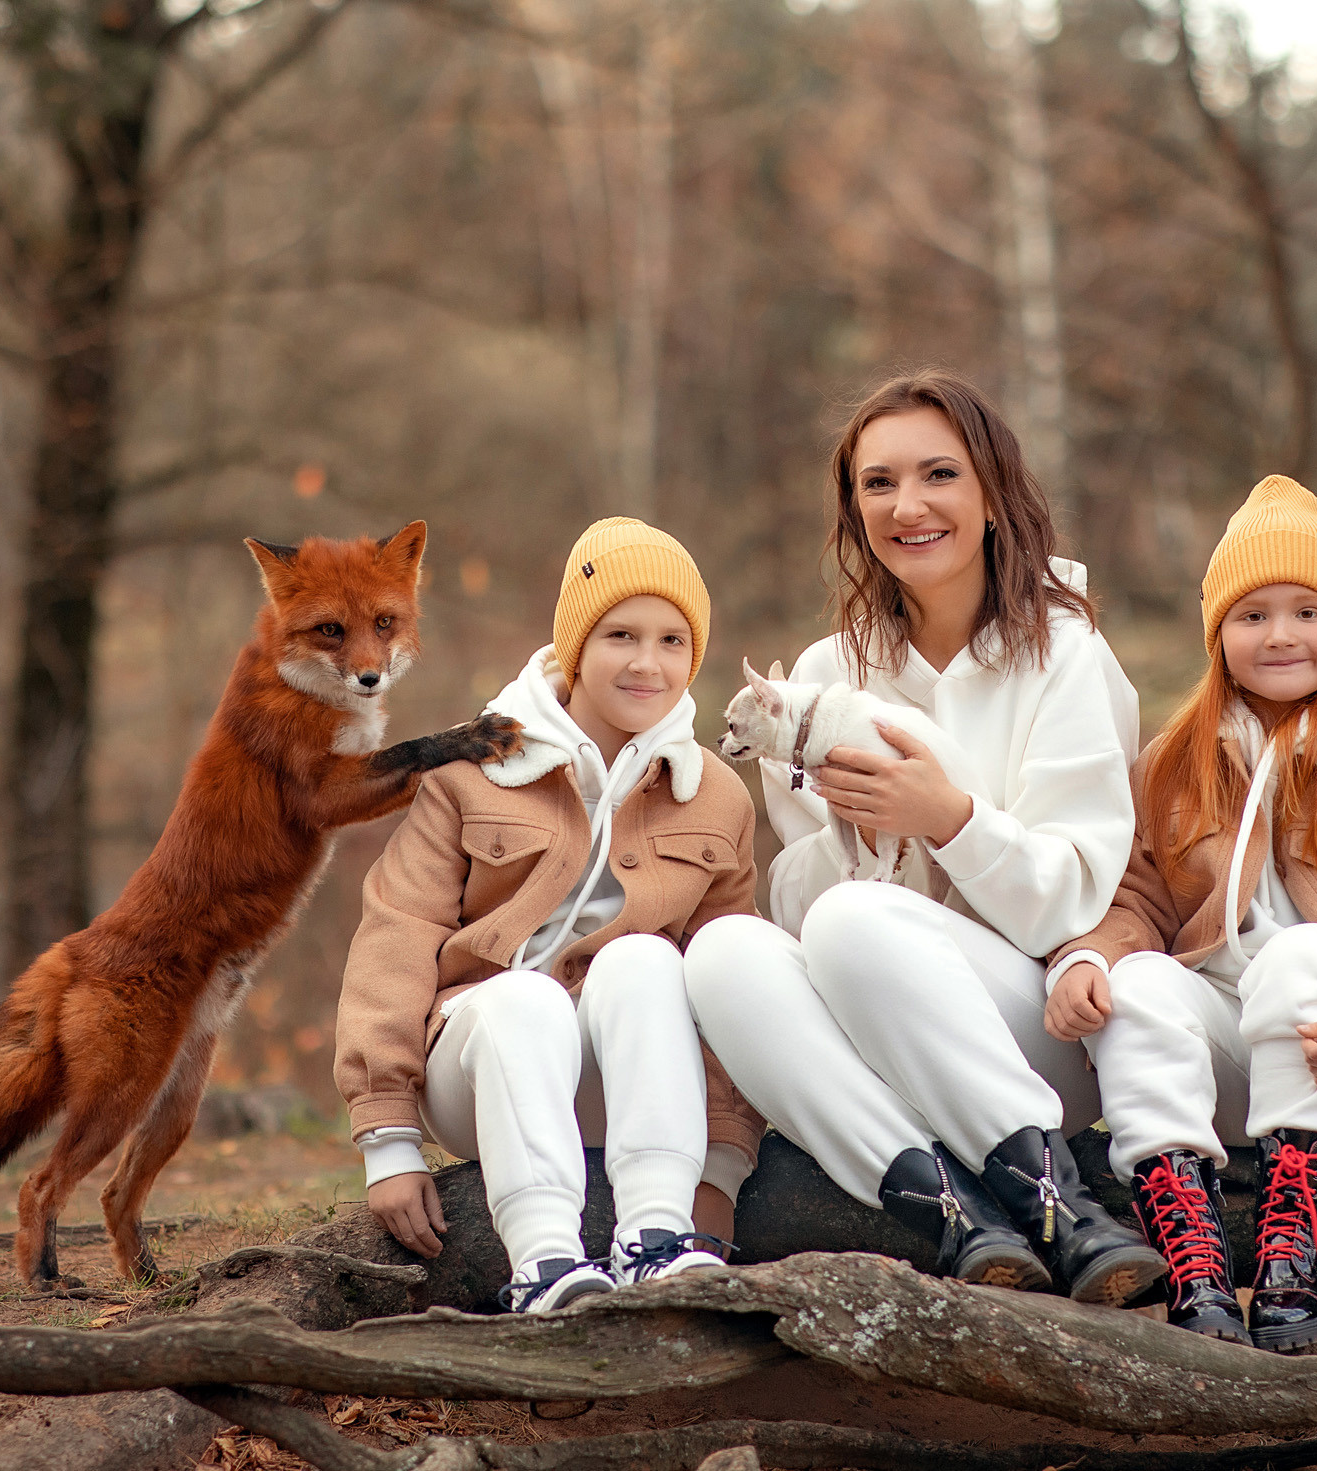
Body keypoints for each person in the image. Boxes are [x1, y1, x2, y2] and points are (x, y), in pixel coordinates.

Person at [683, 370, 1165, 1304]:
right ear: (853, 507)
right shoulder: (824, 675)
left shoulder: (1066, 654)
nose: (908, 506)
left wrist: (945, 818)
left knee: (858, 921)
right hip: (874, 1014)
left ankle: (1058, 1203)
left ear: (992, 494)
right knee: (725, 951)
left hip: (1035, 1025)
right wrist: (848, 826)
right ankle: (951, 1213)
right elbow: (799, 906)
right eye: (878, 483)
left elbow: (1075, 894)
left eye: (938, 474)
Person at [1043, 474, 1317, 1352]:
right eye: (1252, 615)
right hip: (1218, 1067)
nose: (1280, 634)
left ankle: (1297, 1241)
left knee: (1311, 948)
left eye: (1307, 611)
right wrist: (1086, 959)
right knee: (1137, 979)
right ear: (1219, 638)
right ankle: (1193, 1247)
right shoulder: (1173, 766)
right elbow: (1131, 897)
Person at [334, 517, 762, 1313]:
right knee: (525, 998)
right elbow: (396, 933)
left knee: (648, 960)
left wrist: (723, 1166)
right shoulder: (475, 769)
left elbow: (731, 994)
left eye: (673, 640)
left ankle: (658, 1236)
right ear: (574, 645)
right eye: (621, 634)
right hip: (481, 1062)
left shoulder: (717, 795)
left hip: (631, 1073)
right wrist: (387, 1139)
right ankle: (545, 1263)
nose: (647, 662)